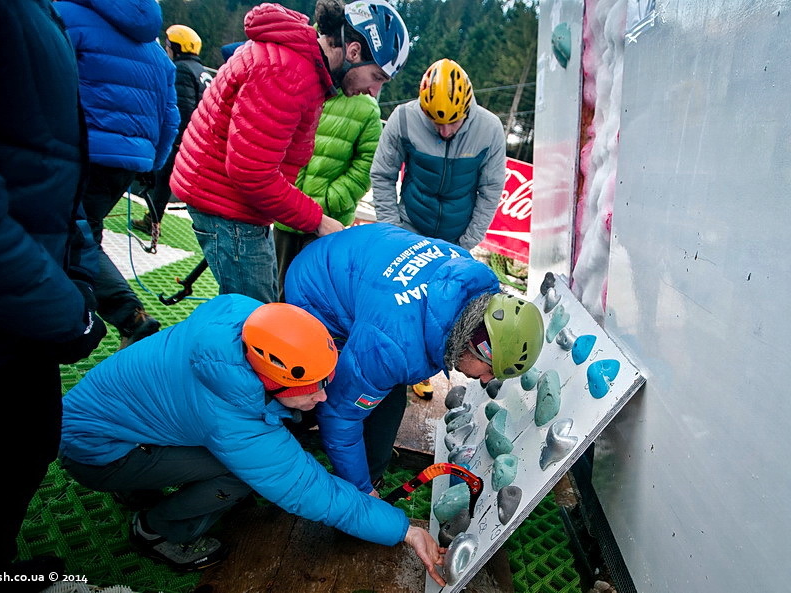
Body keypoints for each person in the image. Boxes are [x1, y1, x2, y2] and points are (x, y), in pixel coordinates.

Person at [59, 294, 445, 582]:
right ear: (270, 379)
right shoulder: (229, 416)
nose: (324, 396)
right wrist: (403, 530)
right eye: (312, 388)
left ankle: (140, 485)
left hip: (109, 420)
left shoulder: (250, 325)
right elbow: (306, 488)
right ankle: (157, 530)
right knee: (240, 474)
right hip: (99, 453)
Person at [0, 0, 107, 581]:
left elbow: (52, 180)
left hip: (23, 312)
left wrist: (76, 274)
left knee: (21, 451)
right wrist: (68, 313)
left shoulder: (39, 13)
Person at [171, 0, 409, 304]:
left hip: (235, 203)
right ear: (353, 52)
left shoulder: (301, 66)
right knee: (255, 319)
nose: (374, 92)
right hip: (227, 205)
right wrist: (317, 219)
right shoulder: (288, 72)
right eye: (377, 77)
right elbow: (251, 171)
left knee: (257, 308)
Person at [284, 224, 545, 495]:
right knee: (325, 395)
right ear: (474, 345)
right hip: (314, 288)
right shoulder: (393, 345)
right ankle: (277, 446)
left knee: (386, 390)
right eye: (490, 370)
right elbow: (340, 413)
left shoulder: (466, 277)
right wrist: (361, 489)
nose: (486, 380)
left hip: (352, 257)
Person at [371, 58, 507, 399]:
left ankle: (422, 368)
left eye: (453, 123)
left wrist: (467, 243)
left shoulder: (489, 128)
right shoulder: (403, 118)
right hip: (409, 225)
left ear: (467, 107)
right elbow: (383, 175)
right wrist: (392, 231)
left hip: (455, 236)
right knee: (400, 303)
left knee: (440, 308)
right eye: (435, 123)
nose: (444, 131)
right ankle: (387, 366)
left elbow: (490, 191)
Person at [55, 0, 180, 348]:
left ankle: (119, 317)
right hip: (128, 164)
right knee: (84, 234)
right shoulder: (155, 51)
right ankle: (130, 318)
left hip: (77, 155)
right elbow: (170, 117)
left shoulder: (66, 15)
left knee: (66, 238)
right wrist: (151, 162)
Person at [273, 89, 383, 300]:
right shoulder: (307, 91)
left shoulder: (366, 108)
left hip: (329, 223)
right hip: (287, 215)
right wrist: (289, 193)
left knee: (314, 295)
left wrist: (329, 201)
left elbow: (366, 166)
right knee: (279, 288)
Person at [132, 25, 211, 237]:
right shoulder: (201, 71)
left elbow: (183, 106)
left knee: (163, 179)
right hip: (200, 137)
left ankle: (152, 221)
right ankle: (153, 218)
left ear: (175, 47)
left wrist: (177, 138)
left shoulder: (182, 69)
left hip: (184, 138)